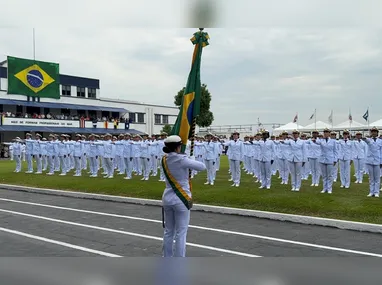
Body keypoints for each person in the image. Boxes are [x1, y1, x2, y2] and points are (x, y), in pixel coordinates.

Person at [161, 135, 206, 257]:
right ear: (178, 147)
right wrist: (192, 158)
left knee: (169, 232)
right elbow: (202, 167)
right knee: (181, 233)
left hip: (167, 198)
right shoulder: (182, 160)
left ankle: (167, 257)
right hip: (181, 198)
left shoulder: (164, 159)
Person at [312, 128, 338, 194]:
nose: (326, 133)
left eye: (327, 132)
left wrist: (335, 160)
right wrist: (314, 139)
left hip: (330, 159)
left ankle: (329, 188)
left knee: (330, 175)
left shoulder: (333, 141)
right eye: (325, 132)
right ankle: (324, 188)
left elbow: (335, 151)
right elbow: (316, 142)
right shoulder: (321, 140)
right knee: (324, 175)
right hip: (322, 159)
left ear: (329, 133)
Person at [364, 127, 382, 198]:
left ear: (377, 133)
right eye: (372, 131)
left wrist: (381, 162)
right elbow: (365, 139)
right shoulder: (369, 140)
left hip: (377, 161)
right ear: (371, 133)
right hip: (370, 161)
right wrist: (367, 136)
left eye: (375, 131)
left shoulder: (380, 141)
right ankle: (371, 192)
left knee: (377, 178)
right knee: (371, 178)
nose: (374, 133)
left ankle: (376, 192)